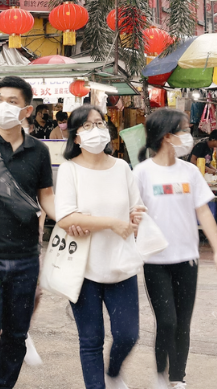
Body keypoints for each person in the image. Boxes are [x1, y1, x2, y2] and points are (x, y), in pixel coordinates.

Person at [133, 109, 217, 389]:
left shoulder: (190, 172)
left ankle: (177, 378)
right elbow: (133, 215)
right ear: (167, 136)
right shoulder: (141, 173)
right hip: (155, 260)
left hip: (187, 259)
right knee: (168, 322)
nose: (189, 136)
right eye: (184, 130)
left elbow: (204, 213)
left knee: (183, 323)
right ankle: (160, 373)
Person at [54, 104, 147, 389]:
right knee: (91, 340)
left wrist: (136, 216)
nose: (96, 130)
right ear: (76, 137)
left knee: (128, 335)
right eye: (87, 126)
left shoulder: (121, 168)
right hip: (83, 268)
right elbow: (66, 216)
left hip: (120, 265)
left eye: (100, 123)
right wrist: (110, 223)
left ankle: (114, 370)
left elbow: (137, 206)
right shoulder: (70, 170)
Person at [0, 76, 64, 388]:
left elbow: (46, 198)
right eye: (0, 100)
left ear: (26, 110)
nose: (3, 107)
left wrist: (69, 219)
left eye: (11, 102)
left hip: (25, 258)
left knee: (15, 334)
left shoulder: (39, 152)